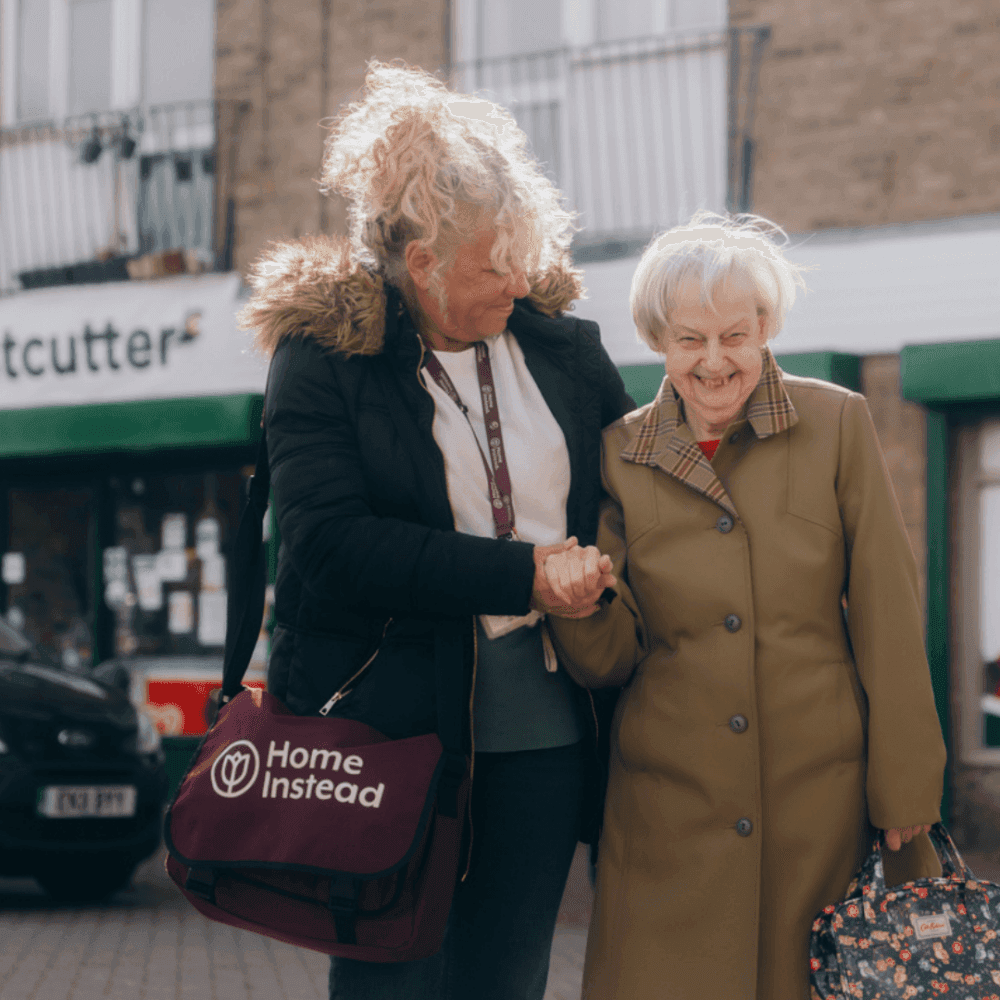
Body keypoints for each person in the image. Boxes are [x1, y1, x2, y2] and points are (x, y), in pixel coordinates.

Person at [237, 62, 631, 1000]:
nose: (515, 280)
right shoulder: (326, 360)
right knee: (393, 983)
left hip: (545, 734)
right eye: (491, 263)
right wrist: (523, 577)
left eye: (521, 255)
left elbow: (637, 492)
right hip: (390, 732)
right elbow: (329, 547)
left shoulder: (561, 349)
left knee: (509, 978)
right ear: (422, 265)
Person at [540, 212, 948, 999]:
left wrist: (906, 787)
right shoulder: (620, 452)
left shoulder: (837, 422)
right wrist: (580, 602)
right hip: (669, 808)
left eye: (734, 334)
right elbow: (610, 659)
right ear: (660, 340)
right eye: (690, 340)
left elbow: (887, 610)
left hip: (819, 804)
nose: (715, 361)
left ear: (765, 327)